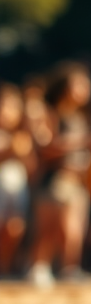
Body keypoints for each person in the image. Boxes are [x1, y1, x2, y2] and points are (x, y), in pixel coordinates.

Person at [29, 64, 91, 286]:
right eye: (80, 84)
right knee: (50, 228)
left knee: (74, 231)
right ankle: (39, 267)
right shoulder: (49, 112)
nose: (86, 89)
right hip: (56, 177)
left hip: (78, 180)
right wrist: (86, 140)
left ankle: (69, 269)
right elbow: (45, 146)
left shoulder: (81, 117)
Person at [0, 84, 34, 276]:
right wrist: (8, 151)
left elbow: (31, 168)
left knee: (15, 226)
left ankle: (4, 267)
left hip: (17, 186)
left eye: (14, 107)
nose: (8, 112)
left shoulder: (21, 136)